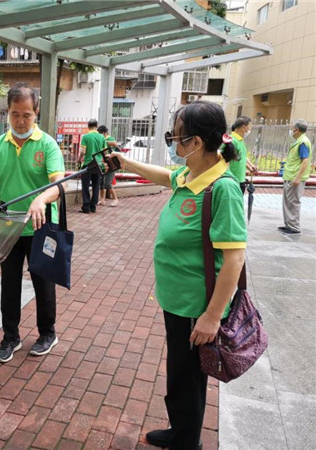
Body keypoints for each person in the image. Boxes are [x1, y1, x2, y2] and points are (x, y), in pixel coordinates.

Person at [111, 101, 246, 449]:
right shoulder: (190, 174)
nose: (172, 142)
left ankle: (186, 441)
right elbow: (163, 175)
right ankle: (179, 431)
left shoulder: (222, 189)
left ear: (196, 143)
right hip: (177, 301)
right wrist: (126, 162)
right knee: (179, 370)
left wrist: (212, 317)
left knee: (188, 377)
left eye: (175, 136)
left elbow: (235, 259)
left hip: (196, 307)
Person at [0, 83, 65, 363]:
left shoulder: (47, 144)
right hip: (9, 227)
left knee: (43, 282)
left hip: (40, 225)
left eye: (27, 115)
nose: (20, 121)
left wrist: (41, 199)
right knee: (9, 284)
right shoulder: (0, 145)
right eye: (15, 114)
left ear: (36, 112)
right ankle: (10, 337)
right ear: (7, 112)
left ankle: (47, 333)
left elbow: (58, 185)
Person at [279, 119, 312, 235]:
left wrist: (298, 178)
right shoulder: (299, 142)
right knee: (288, 202)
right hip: (290, 176)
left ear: (297, 130)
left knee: (293, 202)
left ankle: (294, 227)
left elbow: (305, 161)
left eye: (292, 128)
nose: (291, 130)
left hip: (295, 177)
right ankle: (289, 224)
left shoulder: (302, 142)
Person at [78, 119, 105, 213]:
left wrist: (79, 158)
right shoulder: (101, 137)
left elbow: (83, 151)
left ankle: (86, 206)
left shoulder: (86, 136)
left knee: (85, 185)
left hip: (88, 164)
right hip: (98, 164)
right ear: (96, 126)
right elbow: (104, 151)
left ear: (88, 126)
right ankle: (93, 206)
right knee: (96, 186)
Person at [229, 116, 258, 193]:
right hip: (232, 180)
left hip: (240, 179)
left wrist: (250, 166)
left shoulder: (240, 140)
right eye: (249, 127)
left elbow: (242, 157)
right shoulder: (231, 141)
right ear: (243, 127)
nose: (250, 130)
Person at [97, 125, 119, 207]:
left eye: (100, 134)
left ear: (104, 133)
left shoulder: (109, 138)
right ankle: (102, 200)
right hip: (104, 164)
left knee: (107, 183)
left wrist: (103, 141)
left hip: (112, 165)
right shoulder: (101, 139)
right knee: (101, 183)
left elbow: (114, 143)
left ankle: (115, 199)